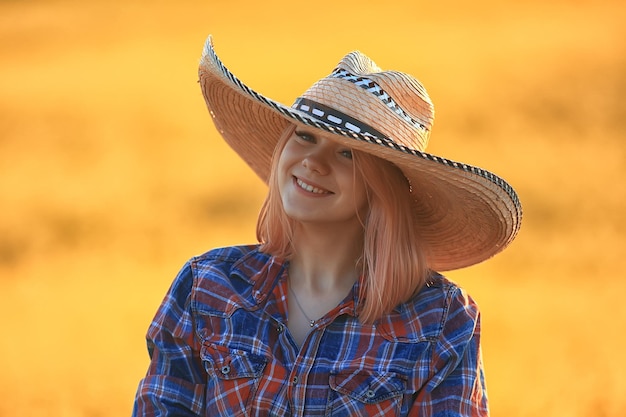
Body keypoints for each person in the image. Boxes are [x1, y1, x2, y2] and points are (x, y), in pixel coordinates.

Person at [132, 35, 522, 417]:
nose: (314, 162)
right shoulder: (207, 286)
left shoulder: (441, 321)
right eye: (304, 136)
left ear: (381, 189)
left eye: (347, 153)